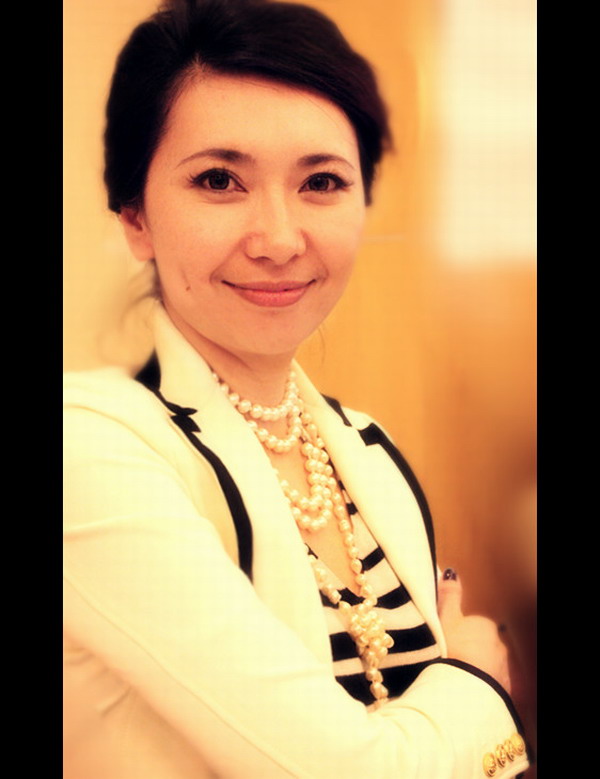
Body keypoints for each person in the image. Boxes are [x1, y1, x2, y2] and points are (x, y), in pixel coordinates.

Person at [63, 0, 530, 776]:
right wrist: (479, 678)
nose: (279, 239)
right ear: (136, 216)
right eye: (219, 180)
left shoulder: (367, 451)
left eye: (321, 181)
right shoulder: (90, 450)